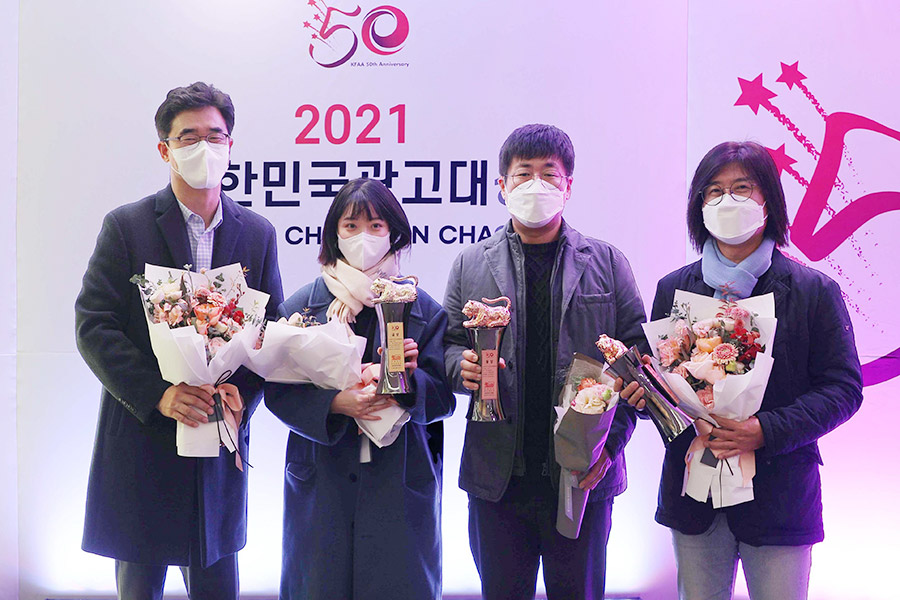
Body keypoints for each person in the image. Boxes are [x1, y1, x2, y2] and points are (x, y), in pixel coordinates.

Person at [621, 141, 863, 599]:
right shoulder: (673, 289)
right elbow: (662, 384)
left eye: (741, 188)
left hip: (779, 497)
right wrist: (643, 398)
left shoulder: (813, 291)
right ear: (699, 206)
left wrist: (765, 430)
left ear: (768, 200)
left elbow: (843, 388)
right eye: (714, 191)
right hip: (694, 498)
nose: (726, 201)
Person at [75, 82, 284, 600]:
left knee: (217, 583)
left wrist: (244, 397)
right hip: (143, 441)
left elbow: (270, 329)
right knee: (139, 586)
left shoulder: (257, 233)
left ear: (231, 145)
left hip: (218, 444)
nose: (203, 148)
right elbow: (94, 324)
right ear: (164, 150)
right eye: (188, 137)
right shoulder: (127, 226)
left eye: (215, 136)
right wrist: (159, 394)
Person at [442, 123, 647, 599]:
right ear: (502, 186)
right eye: (523, 173)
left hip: (583, 476)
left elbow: (638, 364)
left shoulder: (607, 262)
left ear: (568, 186)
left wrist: (609, 448)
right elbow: (446, 347)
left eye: (549, 174)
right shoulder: (471, 263)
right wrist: (459, 367)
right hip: (498, 477)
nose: (536, 185)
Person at [264, 177, 455, 600]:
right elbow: (277, 393)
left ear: (394, 233)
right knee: (319, 585)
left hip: (399, 481)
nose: (363, 237)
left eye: (375, 226)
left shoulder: (422, 309)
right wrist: (335, 403)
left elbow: (444, 399)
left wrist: (407, 381)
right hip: (323, 479)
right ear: (333, 234)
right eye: (351, 226)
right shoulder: (302, 307)